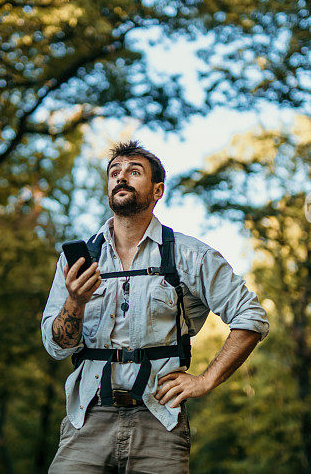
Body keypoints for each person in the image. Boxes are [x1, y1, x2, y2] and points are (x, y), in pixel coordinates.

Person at [41, 140, 270, 472]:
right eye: (114, 172)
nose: (122, 178)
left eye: (135, 172)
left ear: (157, 190)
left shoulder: (189, 255)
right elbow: (57, 346)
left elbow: (251, 316)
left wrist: (205, 380)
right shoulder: (78, 259)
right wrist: (75, 301)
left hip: (160, 422)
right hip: (86, 419)